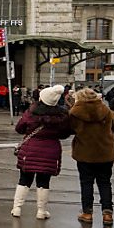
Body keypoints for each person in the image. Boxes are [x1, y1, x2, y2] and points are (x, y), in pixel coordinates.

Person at [12, 84, 72, 220]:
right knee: (44, 182)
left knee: (24, 179)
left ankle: (17, 208)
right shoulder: (62, 115)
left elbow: (20, 128)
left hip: (30, 149)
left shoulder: (31, 112)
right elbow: (65, 134)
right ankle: (41, 211)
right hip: (51, 150)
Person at [69, 88, 114, 225]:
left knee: (86, 183)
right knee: (105, 183)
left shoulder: (74, 113)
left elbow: (67, 131)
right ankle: (107, 214)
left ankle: (87, 213)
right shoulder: (108, 112)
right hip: (105, 154)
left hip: (84, 154)